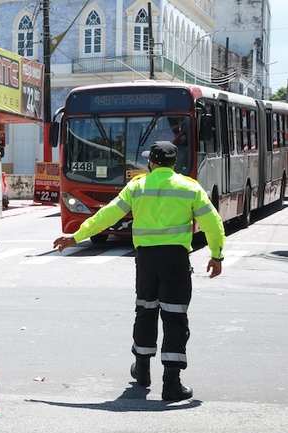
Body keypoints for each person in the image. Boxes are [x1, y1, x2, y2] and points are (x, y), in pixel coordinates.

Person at [52, 140, 226, 402]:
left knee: (145, 311)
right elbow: (212, 222)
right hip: (175, 260)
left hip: (146, 261)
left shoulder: (137, 186)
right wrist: (216, 255)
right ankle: (172, 383)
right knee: (175, 316)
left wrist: (76, 237)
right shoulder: (189, 187)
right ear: (173, 162)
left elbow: (107, 215)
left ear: (151, 162)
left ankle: (142, 371)